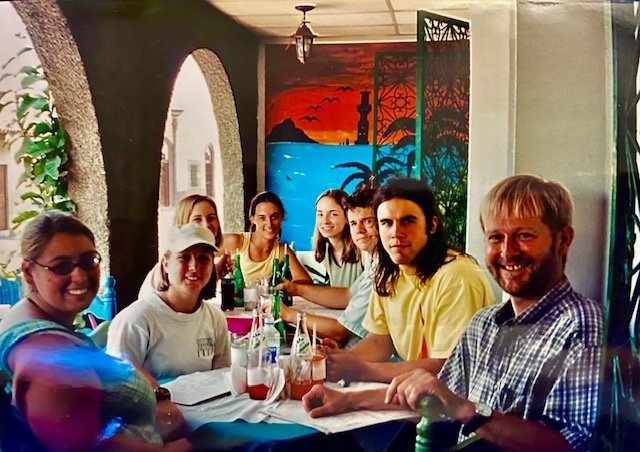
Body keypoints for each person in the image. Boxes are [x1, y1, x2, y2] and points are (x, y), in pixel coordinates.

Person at [307, 174, 604, 452]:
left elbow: (571, 445)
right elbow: (434, 395)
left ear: (563, 240)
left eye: (524, 235)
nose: (507, 251)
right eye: (496, 238)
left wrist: (464, 409)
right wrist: (346, 400)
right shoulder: (484, 325)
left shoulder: (579, 323)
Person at [0, 210, 190, 450]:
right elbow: (86, 448)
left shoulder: (35, 318)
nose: (79, 276)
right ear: (28, 271)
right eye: (61, 267)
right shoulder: (50, 363)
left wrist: (159, 395)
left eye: (89, 261)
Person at [323, 177, 495, 384]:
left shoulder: (457, 275)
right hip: (413, 391)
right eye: (386, 223)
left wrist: (361, 370)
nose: (396, 233)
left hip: (457, 400)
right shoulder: (388, 273)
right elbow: (380, 341)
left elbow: (448, 367)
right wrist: (338, 360)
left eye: (407, 221)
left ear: (431, 225)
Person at [107, 223, 230, 381]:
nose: (194, 267)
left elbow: (221, 377)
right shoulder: (136, 320)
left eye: (203, 258)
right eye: (184, 257)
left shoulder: (215, 318)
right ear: (166, 264)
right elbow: (119, 384)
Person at [277, 183, 378, 346]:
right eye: (354, 223)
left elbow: (340, 332)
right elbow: (348, 295)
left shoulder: (371, 259)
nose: (359, 230)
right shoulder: (374, 262)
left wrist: (288, 314)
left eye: (368, 221)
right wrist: (295, 289)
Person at [139, 194, 231, 299]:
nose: (206, 225)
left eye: (211, 218)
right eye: (197, 220)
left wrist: (216, 272)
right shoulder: (169, 268)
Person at [222, 191, 311, 284]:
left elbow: (307, 284)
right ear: (252, 219)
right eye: (262, 218)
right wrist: (219, 267)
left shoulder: (281, 250)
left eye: (274, 217)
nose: (269, 224)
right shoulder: (237, 241)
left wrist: (283, 285)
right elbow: (206, 249)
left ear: (282, 217)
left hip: (263, 298)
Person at [312, 188, 363, 287]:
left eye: (333, 214)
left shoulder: (361, 250)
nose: (325, 221)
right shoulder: (326, 250)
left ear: (347, 217)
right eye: (320, 214)